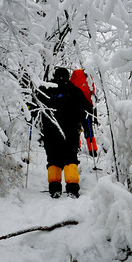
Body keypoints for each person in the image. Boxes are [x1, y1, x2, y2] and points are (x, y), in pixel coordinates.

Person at [36, 67, 93, 198]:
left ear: (55, 76)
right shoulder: (75, 91)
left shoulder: (46, 90)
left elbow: (33, 106)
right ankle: (72, 189)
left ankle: (55, 189)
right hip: (71, 132)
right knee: (71, 159)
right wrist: (88, 132)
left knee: (53, 160)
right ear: (68, 77)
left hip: (50, 132)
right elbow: (87, 111)